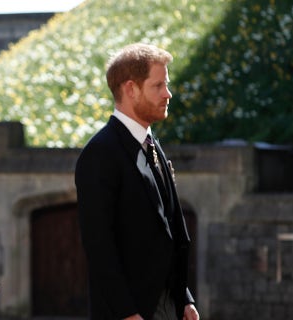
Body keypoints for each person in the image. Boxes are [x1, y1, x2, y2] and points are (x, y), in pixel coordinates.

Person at [75, 43, 200, 320]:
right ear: (131, 89)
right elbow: (99, 246)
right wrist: (127, 313)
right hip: (132, 311)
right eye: (158, 86)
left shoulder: (152, 143)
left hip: (168, 305)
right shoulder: (100, 153)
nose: (168, 94)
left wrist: (184, 298)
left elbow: (169, 229)